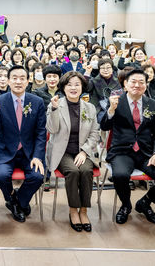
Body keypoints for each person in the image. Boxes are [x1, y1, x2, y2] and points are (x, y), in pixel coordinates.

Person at [99, 68, 155, 225]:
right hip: (122, 152)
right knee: (120, 175)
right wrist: (110, 110)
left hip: (146, 153)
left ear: (146, 85)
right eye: (133, 82)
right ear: (125, 84)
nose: (137, 85)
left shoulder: (153, 104)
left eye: (141, 82)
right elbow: (105, 126)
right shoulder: (116, 101)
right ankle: (126, 205)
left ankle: (146, 202)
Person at [0, 65, 46, 223]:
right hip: (5, 151)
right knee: (1, 176)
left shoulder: (37, 102)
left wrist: (37, 156)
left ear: (28, 81)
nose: (18, 81)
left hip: (29, 152)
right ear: (8, 81)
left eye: (22, 78)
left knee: (38, 176)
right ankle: (17, 202)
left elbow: (41, 132)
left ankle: (18, 202)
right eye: (14, 78)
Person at [46, 72, 100, 232]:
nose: (73, 88)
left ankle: (83, 211)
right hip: (62, 152)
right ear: (63, 87)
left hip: (82, 151)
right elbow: (52, 129)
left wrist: (84, 152)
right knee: (73, 171)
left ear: (82, 86)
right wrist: (54, 110)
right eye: (69, 84)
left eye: (77, 84)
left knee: (85, 170)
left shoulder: (89, 108)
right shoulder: (56, 104)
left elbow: (94, 133)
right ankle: (73, 210)